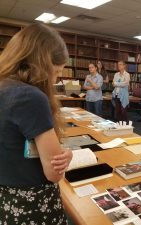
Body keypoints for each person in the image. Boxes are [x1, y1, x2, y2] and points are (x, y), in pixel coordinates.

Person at [0, 23, 73, 224]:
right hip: (32, 205)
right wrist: (67, 156)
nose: (55, 80)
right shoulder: (30, 96)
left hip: (6, 200)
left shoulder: (4, 86)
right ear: (43, 63)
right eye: (57, 72)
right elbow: (53, 173)